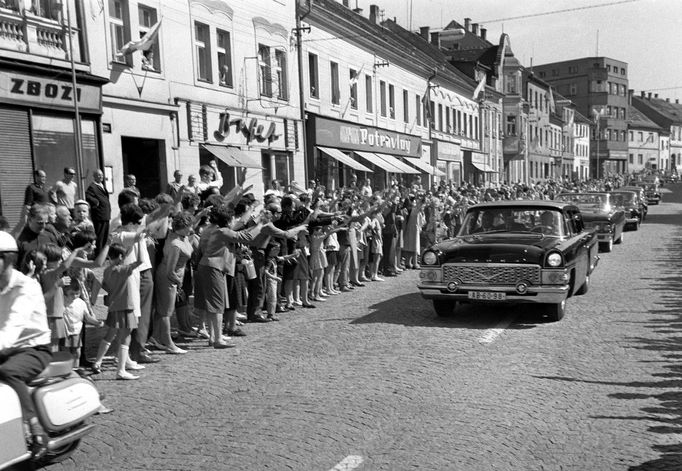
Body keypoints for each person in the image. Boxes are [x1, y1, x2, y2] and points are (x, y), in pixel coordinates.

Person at [0, 231, 52, 458]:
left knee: (7, 371)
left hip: (34, 348)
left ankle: (36, 431)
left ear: (8, 259)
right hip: (7, 347)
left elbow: (12, 328)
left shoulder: (26, 287)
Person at [92, 242, 143, 380]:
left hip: (114, 307)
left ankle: (98, 361)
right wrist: (140, 242)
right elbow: (141, 261)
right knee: (126, 336)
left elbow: (107, 287)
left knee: (111, 333)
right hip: (125, 306)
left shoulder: (107, 271)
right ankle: (121, 370)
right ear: (120, 256)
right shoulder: (122, 269)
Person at [62, 280, 103, 369]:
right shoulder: (62, 301)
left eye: (77, 293)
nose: (75, 296)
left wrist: (96, 322)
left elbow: (86, 317)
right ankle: (66, 370)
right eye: (72, 294)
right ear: (65, 292)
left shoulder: (81, 303)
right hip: (65, 332)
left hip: (77, 331)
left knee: (77, 352)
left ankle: (75, 369)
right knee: (65, 353)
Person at [85, 169, 111, 256]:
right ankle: (99, 254)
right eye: (99, 175)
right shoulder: (92, 186)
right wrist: (96, 202)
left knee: (105, 236)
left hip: (106, 214)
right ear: (94, 176)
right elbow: (88, 196)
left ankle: (104, 254)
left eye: (102, 175)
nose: (101, 177)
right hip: (99, 215)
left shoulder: (102, 185)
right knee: (99, 236)